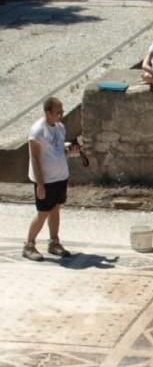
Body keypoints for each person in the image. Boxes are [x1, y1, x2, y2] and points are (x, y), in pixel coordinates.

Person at [23, 97, 78, 261]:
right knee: (43, 213)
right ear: (47, 113)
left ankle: (54, 242)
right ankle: (29, 245)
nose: (60, 115)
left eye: (62, 112)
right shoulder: (36, 132)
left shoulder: (60, 127)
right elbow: (35, 159)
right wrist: (40, 185)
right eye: (57, 113)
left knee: (56, 209)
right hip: (45, 180)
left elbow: (58, 150)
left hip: (60, 177)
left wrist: (71, 150)